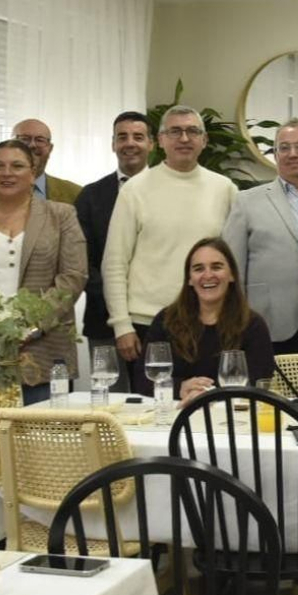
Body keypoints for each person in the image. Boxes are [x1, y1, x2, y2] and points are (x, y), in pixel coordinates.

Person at [0, 140, 88, 422]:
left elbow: (73, 276)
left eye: (17, 166)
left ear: (32, 173)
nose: (6, 173)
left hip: (43, 350)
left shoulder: (61, 215)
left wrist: (28, 328)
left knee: (44, 440)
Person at [103, 105, 238, 389]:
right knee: (152, 407)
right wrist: (121, 325)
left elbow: (233, 260)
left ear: (204, 140)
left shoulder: (225, 189)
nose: (184, 138)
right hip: (148, 323)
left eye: (192, 131)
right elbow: (115, 262)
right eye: (175, 131)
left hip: (209, 322)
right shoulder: (134, 190)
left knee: (209, 403)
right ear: (161, 140)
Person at [222, 118, 298, 355]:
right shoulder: (246, 201)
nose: (293, 154)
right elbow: (232, 268)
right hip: (267, 323)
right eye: (284, 147)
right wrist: (234, 323)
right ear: (276, 155)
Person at [136, 238, 275, 402]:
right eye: (198, 269)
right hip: (175, 413)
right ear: (189, 279)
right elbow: (142, 380)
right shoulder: (165, 320)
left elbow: (258, 383)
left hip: (231, 414)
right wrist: (180, 387)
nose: (208, 275)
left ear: (231, 275)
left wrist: (206, 393)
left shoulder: (252, 325)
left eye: (216, 267)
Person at [75, 111, 154, 390]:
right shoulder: (90, 196)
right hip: (103, 320)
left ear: (151, 144)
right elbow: (82, 260)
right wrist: (114, 296)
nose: (130, 143)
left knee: (158, 398)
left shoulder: (166, 191)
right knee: (109, 403)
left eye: (138, 137)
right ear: (113, 144)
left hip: (156, 319)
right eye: (122, 137)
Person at [0, 119, 82, 207]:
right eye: (24, 139)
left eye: (40, 140)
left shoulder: (74, 193)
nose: (32, 145)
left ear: (50, 148)